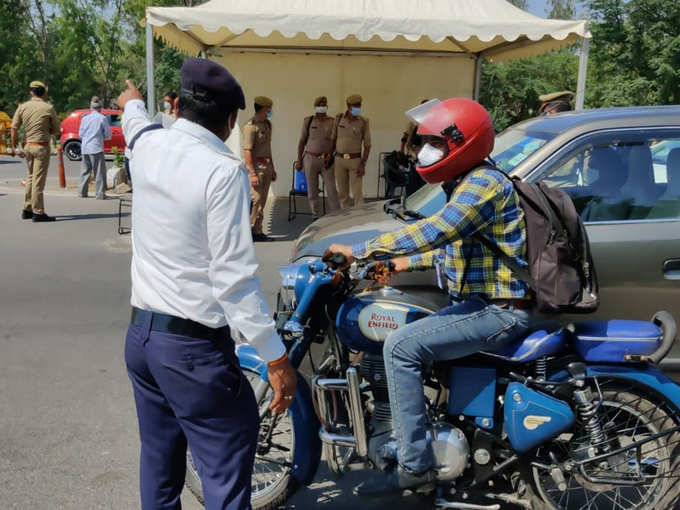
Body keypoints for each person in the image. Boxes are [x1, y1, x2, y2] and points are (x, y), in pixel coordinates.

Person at [325, 98, 533, 494]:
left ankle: (415, 464)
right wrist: (402, 265)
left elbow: (437, 230)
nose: (426, 151)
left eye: (436, 143)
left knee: (401, 347)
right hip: (481, 303)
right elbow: (453, 248)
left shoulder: (483, 184)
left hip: (499, 310)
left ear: (463, 143)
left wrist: (365, 249)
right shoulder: (468, 181)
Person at [117, 58, 297, 510]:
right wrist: (276, 358)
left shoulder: (146, 146)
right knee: (227, 461)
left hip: (142, 340)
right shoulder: (222, 172)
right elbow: (234, 282)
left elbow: (133, 117)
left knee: (159, 466)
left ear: (176, 106)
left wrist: (132, 99)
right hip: (193, 353)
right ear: (232, 119)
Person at [10, 80, 60, 222]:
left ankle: (27, 209)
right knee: (38, 180)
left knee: (31, 178)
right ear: (43, 93)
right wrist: (47, 129)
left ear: (31, 93)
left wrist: (14, 147)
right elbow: (57, 129)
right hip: (41, 147)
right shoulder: (48, 108)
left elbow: (14, 128)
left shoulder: (22, 107)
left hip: (28, 146)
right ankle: (38, 212)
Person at [295, 96, 340, 218]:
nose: (322, 106)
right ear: (315, 106)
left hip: (327, 160)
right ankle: (316, 216)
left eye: (324, 104)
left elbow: (335, 141)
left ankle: (336, 216)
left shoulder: (332, 122)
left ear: (327, 106)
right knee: (312, 190)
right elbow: (301, 142)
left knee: (332, 190)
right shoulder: (308, 121)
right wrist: (299, 160)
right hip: (310, 159)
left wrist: (331, 155)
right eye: (320, 104)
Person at [243, 96, 277, 241]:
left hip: (266, 166)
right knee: (255, 200)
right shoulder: (251, 126)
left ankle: (257, 230)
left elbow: (268, 148)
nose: (270, 111)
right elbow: (247, 151)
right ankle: (247, 231)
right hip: (256, 167)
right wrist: (252, 173)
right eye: (268, 109)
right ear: (263, 109)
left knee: (262, 201)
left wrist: (273, 167)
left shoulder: (267, 124)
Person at [333, 94, 371, 209]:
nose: (358, 108)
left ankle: (359, 220)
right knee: (342, 194)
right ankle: (345, 218)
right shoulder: (339, 118)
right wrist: (329, 156)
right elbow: (333, 138)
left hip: (355, 161)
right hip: (339, 160)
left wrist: (362, 164)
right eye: (355, 105)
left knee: (357, 194)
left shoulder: (363, 121)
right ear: (348, 106)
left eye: (359, 105)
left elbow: (368, 145)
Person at [77, 96, 112, 199]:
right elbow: (108, 134)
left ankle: (82, 193)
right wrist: (102, 136)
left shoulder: (85, 118)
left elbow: (80, 134)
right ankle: (100, 194)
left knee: (85, 171)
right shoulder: (102, 118)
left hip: (85, 148)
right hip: (96, 147)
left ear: (91, 108)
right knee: (99, 173)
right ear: (100, 108)